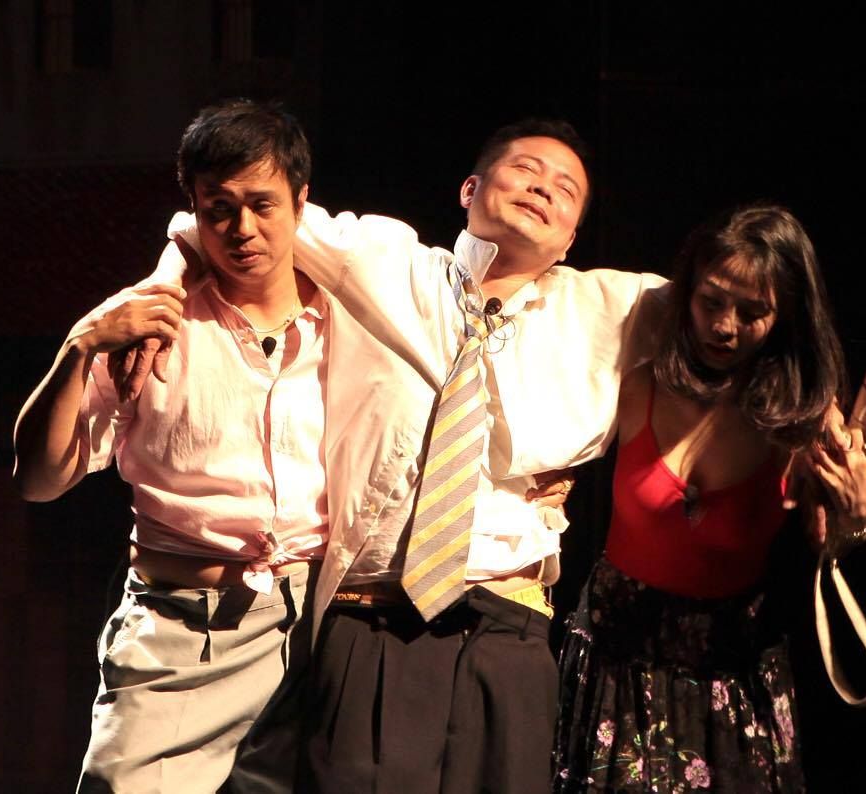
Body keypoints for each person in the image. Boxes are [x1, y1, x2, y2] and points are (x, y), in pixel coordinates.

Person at [127, 119, 668, 793]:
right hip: (375, 610)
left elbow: (730, 304)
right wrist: (159, 294)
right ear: (469, 189)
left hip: (512, 619)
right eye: (525, 169)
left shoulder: (609, 308)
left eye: (565, 189)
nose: (542, 188)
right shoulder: (385, 261)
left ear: (571, 238)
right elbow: (225, 215)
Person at [11, 99, 326, 793]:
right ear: (194, 211)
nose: (242, 229)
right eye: (219, 209)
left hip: (316, 632)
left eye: (262, 205)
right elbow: (37, 479)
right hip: (183, 629)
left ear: (302, 202)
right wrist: (78, 347)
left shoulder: (348, 318)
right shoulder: (150, 326)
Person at [552, 203, 866, 792]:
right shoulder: (638, 383)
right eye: (711, 302)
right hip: (616, 655)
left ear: (786, 315)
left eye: (753, 312)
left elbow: (826, 544)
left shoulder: (801, 422)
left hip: (731, 672)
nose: (725, 326)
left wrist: (857, 515)